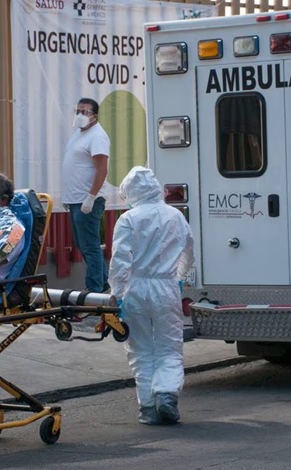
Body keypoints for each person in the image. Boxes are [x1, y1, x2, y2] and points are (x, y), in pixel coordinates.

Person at [108, 167, 195, 425]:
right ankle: (166, 393)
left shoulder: (128, 219)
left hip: (135, 289)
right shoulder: (175, 216)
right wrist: (179, 278)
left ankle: (148, 407)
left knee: (141, 350)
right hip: (166, 287)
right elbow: (189, 252)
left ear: (130, 192)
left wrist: (117, 295)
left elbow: (120, 261)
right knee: (169, 347)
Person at [61, 97, 110, 293]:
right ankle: (103, 283)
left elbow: (102, 169)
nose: (80, 115)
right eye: (78, 111)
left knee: (90, 246)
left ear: (94, 116)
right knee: (83, 244)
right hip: (75, 199)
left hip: (88, 199)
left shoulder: (97, 136)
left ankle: (94, 288)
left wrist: (91, 197)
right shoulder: (79, 133)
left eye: (85, 112)